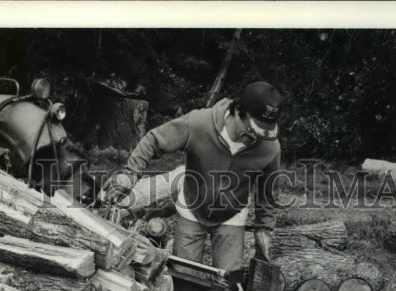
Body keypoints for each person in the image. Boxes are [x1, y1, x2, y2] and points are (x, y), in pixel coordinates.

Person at [106, 81, 285, 273]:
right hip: (191, 207)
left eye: (261, 133)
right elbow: (154, 140)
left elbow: (268, 194)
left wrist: (264, 229)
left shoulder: (270, 148)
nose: (255, 136)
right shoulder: (199, 123)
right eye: (252, 128)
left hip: (232, 215)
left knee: (228, 282)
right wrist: (130, 173)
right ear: (238, 111)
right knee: (183, 277)